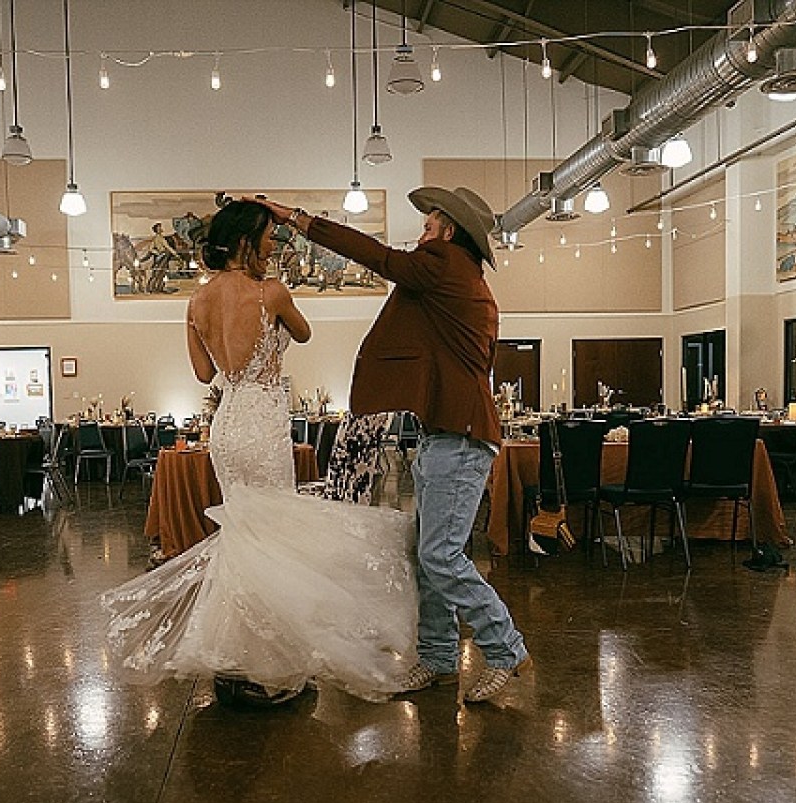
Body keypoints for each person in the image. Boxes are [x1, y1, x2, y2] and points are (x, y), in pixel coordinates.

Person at [102, 200, 417, 704]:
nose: (276, 245)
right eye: (270, 236)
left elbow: (205, 376)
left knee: (243, 537)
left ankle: (235, 661)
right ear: (247, 241)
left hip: (227, 426)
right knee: (273, 541)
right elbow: (305, 332)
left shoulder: (196, 302)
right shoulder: (271, 292)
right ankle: (268, 658)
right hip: (265, 425)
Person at [261, 188, 531, 704]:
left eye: (428, 227)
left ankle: (503, 648)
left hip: (462, 437)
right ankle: (437, 656)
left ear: (449, 233)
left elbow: (377, 257)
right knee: (425, 555)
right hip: (445, 436)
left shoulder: (444, 264)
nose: (421, 236)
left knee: (442, 556)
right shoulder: (454, 280)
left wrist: (299, 220)